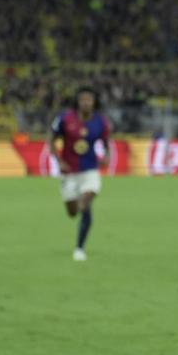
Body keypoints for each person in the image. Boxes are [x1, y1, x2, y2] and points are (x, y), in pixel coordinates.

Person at [48, 87, 110, 261]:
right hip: (69, 172)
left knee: (87, 201)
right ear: (77, 101)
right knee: (72, 212)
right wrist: (59, 161)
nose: (86, 103)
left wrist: (106, 156)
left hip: (90, 170)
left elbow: (106, 143)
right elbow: (52, 139)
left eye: (89, 100)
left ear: (94, 102)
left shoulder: (100, 122)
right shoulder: (65, 119)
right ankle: (79, 205)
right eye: (83, 99)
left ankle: (79, 248)